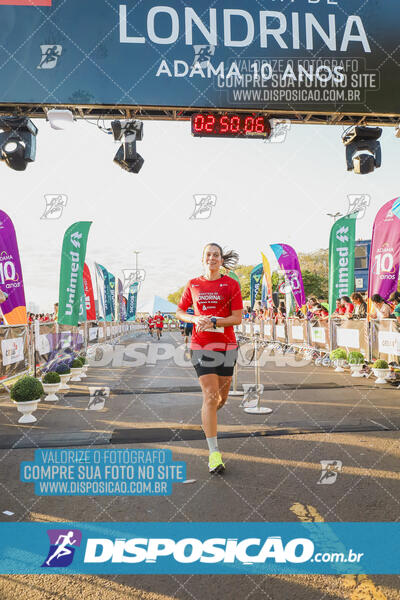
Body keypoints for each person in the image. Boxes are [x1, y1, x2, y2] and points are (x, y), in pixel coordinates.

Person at [176, 243, 243, 475]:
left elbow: (237, 318)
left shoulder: (231, 284)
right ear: (202, 258)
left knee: (221, 399)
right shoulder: (193, 284)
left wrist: (214, 321)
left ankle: (209, 416)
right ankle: (214, 453)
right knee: (211, 396)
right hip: (201, 345)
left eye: (216, 255)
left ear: (221, 260)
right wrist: (194, 319)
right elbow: (180, 311)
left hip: (226, 345)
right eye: (208, 254)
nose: (212, 258)